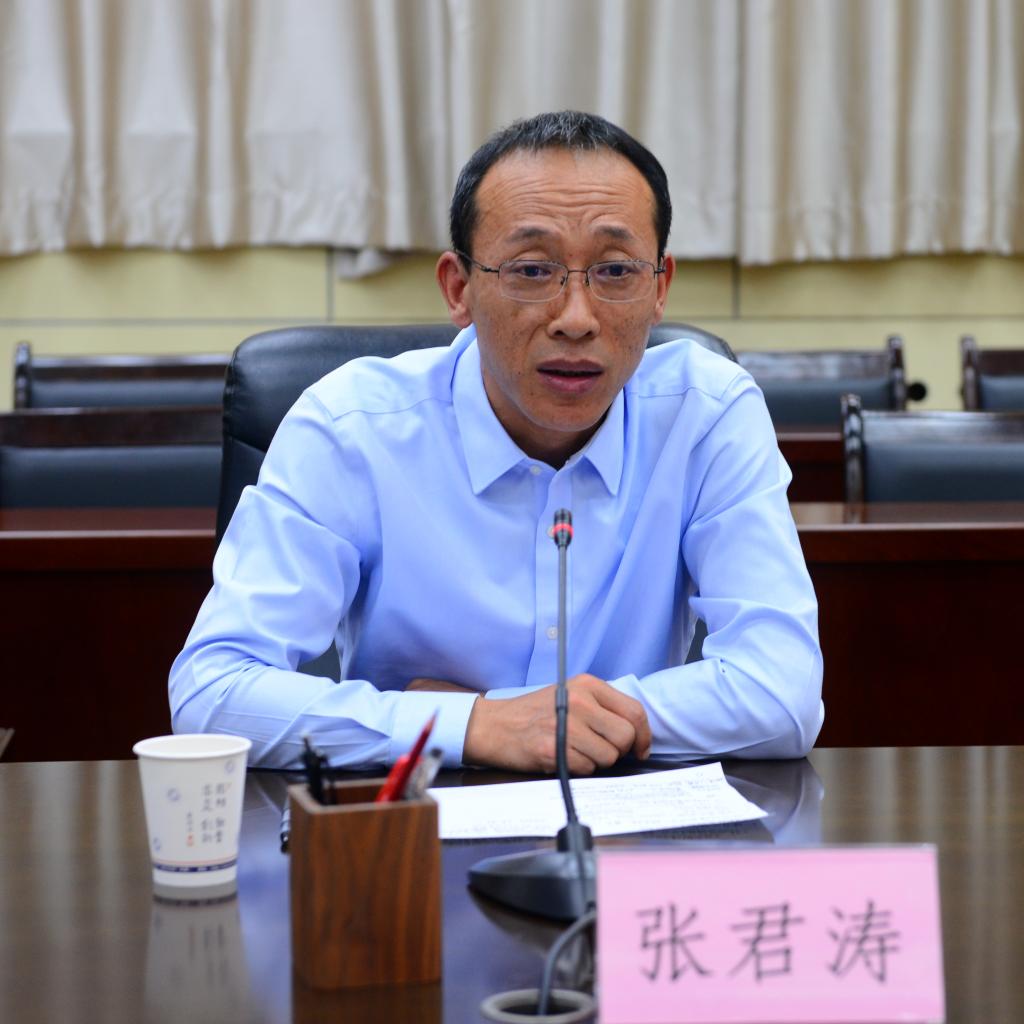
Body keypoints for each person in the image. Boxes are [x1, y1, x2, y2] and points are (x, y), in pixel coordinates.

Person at [170, 110, 823, 775]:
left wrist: (490, 714)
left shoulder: (706, 414)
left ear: (659, 289)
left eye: (615, 271)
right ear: (459, 289)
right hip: (421, 828)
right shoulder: (351, 428)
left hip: (624, 821)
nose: (576, 319)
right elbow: (212, 692)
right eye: (532, 271)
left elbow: (783, 692)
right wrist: (476, 728)